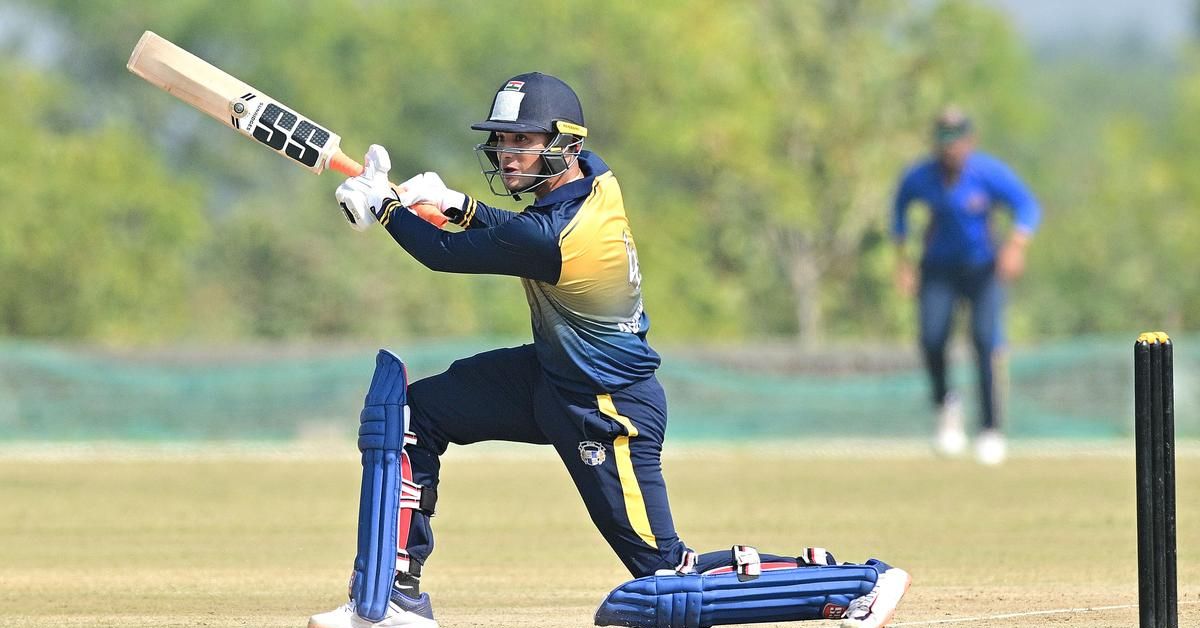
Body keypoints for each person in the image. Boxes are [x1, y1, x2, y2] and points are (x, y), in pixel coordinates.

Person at [309, 72, 910, 628]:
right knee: (414, 415)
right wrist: (460, 205)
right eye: (503, 140)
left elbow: (446, 254)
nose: (509, 153)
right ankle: (392, 599)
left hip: (607, 406)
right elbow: (510, 231)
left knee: (665, 577)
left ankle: (849, 583)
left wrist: (385, 206)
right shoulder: (593, 178)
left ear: (564, 143)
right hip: (550, 379)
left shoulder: (557, 236)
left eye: (525, 140)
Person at [891, 106, 1041, 465]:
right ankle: (947, 408)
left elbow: (1027, 205)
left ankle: (990, 428)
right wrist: (903, 260)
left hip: (982, 270)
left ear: (969, 142)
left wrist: (1016, 246)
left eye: (956, 142)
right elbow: (899, 208)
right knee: (931, 338)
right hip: (938, 270)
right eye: (943, 142)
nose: (950, 150)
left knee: (985, 341)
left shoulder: (987, 173)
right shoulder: (921, 177)